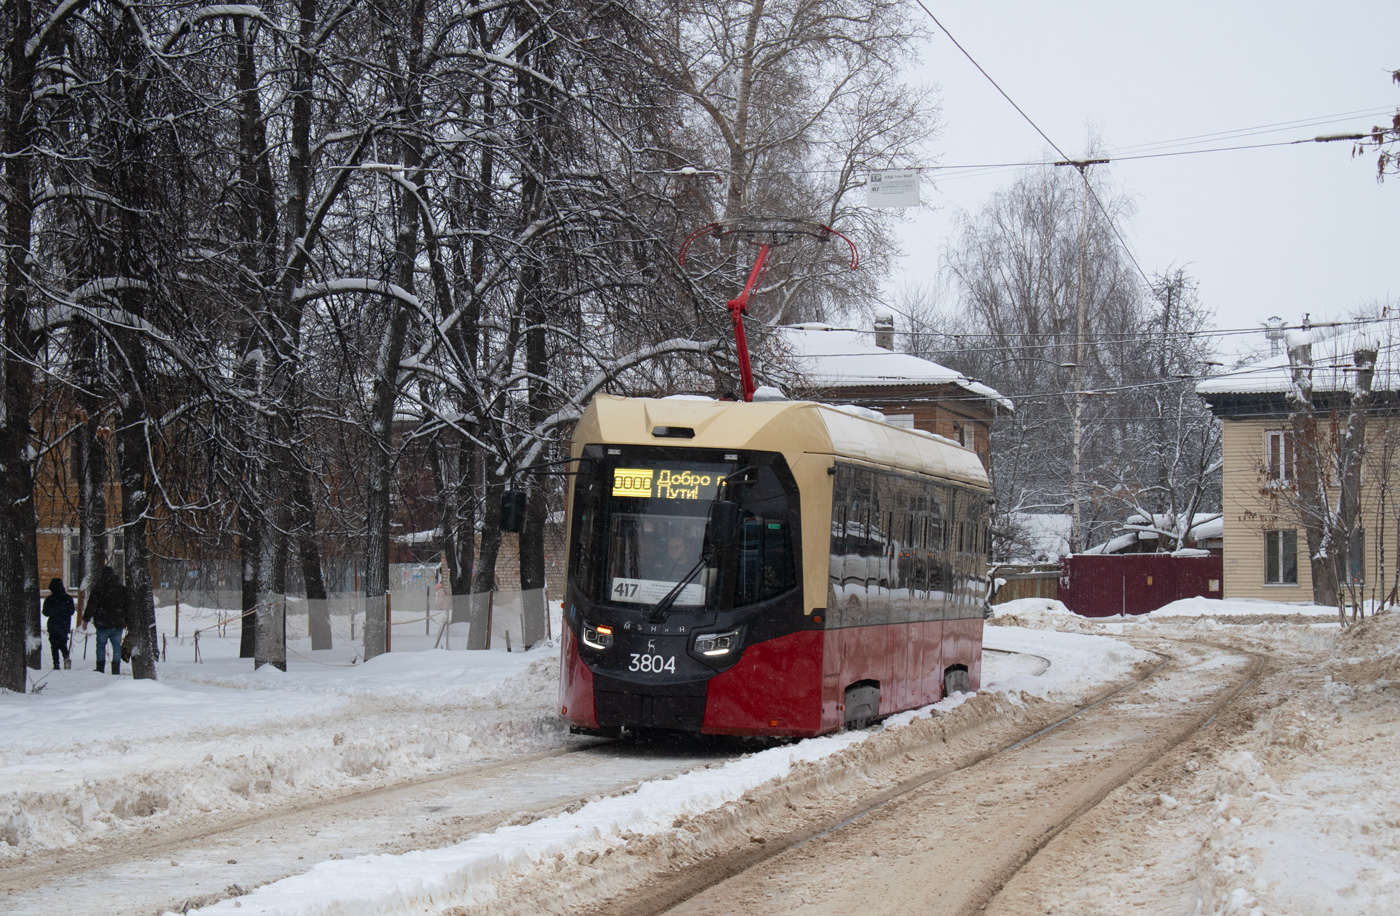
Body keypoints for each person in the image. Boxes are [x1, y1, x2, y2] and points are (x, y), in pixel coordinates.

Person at [86, 566, 128, 675]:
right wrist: (127, 620)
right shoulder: (121, 589)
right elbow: (126, 606)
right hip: (117, 622)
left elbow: (91, 605)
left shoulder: (98, 588)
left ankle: (100, 667)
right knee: (116, 646)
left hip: (102, 623)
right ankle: (115, 668)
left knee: (100, 646)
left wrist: (86, 619)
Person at [42, 578, 76, 670]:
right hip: (64, 625)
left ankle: (56, 664)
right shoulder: (68, 598)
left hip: (53, 624)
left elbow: (45, 612)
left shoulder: (50, 599)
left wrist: (54, 612)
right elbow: (72, 611)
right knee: (62, 642)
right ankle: (66, 656)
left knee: (54, 646)